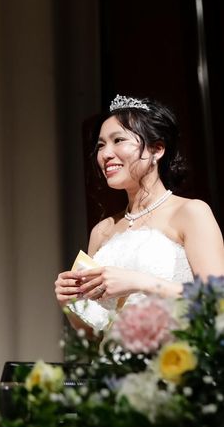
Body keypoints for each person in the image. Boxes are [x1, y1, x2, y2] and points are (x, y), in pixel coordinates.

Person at [55, 94, 224, 335]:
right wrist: (70, 304)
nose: (105, 154)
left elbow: (217, 302)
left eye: (118, 140)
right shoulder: (102, 230)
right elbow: (93, 333)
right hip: (115, 358)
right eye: (101, 145)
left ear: (157, 149)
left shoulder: (190, 212)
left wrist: (138, 282)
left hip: (175, 355)